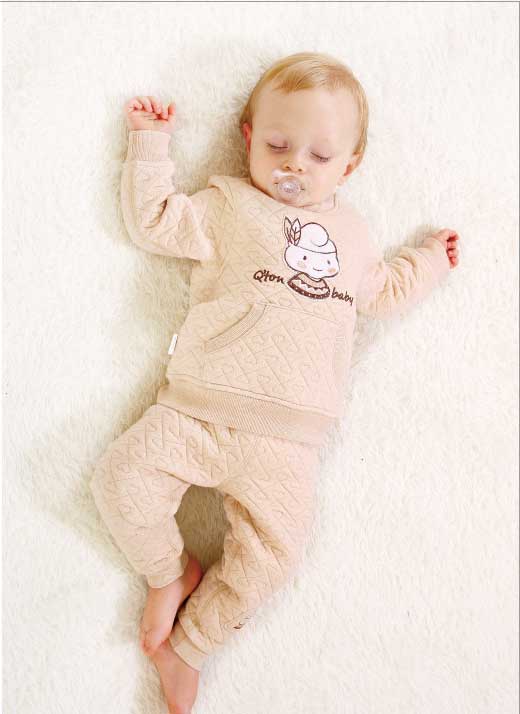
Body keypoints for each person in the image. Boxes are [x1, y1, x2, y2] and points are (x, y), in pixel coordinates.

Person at [89, 51, 460, 714]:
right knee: (121, 481)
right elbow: (157, 221)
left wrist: (430, 259)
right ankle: (169, 572)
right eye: (278, 146)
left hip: (288, 445)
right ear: (247, 137)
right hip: (199, 410)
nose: (294, 166)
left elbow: (386, 290)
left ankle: (190, 646)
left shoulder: (354, 237)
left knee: (276, 557)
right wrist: (150, 143)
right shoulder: (230, 204)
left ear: (349, 167)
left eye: (319, 156)